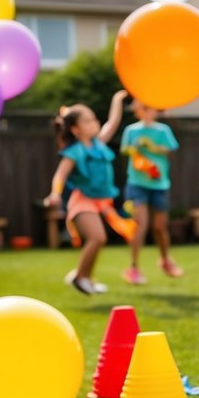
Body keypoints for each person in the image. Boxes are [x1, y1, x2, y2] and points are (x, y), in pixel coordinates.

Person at [43, 90, 128, 294]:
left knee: (99, 240)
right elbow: (60, 175)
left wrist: (117, 100)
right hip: (82, 202)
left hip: (99, 202)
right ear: (75, 129)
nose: (94, 123)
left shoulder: (99, 143)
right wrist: (55, 193)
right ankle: (81, 278)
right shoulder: (75, 151)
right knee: (98, 238)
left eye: (94, 119)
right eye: (88, 121)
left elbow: (113, 122)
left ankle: (83, 277)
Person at [121, 99, 182, 284]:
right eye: (144, 108)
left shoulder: (163, 130)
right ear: (137, 110)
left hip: (159, 184)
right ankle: (133, 268)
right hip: (137, 183)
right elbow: (124, 150)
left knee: (159, 227)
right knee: (141, 224)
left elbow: (171, 149)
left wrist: (154, 147)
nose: (148, 111)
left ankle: (165, 260)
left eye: (151, 108)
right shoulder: (131, 130)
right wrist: (135, 149)